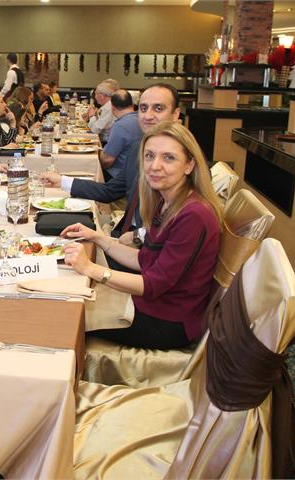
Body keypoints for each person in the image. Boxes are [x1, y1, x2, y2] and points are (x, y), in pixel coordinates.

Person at [62, 121, 222, 350]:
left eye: (168, 158)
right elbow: (145, 259)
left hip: (168, 321)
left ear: (189, 165)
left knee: (66, 313)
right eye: (149, 156)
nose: (154, 166)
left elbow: (153, 284)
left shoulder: (194, 215)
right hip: (152, 305)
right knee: (69, 295)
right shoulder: (167, 201)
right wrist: (99, 238)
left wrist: (91, 269)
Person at [42, 83, 181, 239]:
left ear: (175, 114)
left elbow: (179, 221)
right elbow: (110, 191)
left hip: (148, 244)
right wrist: (62, 181)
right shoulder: (137, 149)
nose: (148, 116)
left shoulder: (183, 158)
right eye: (143, 108)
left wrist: (136, 237)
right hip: (126, 233)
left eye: (158, 108)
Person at [99, 89, 142, 181]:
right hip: (136, 175)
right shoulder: (142, 120)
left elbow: (107, 161)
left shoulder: (120, 126)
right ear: (132, 104)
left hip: (118, 176)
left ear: (112, 107)